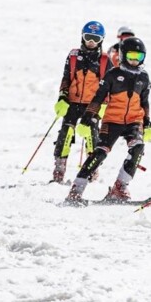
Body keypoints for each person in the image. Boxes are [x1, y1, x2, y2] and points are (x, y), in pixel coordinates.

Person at [64, 37, 151, 205]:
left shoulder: (143, 76)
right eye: (131, 56)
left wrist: (147, 122)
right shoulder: (113, 74)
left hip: (133, 121)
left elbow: (144, 102)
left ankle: (120, 187)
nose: (135, 61)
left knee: (138, 148)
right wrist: (87, 118)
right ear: (122, 55)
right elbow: (98, 98)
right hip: (112, 120)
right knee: (100, 152)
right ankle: (77, 189)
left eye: (139, 57)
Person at [51, 21, 110, 184]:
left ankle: (91, 169)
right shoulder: (73, 56)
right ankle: (59, 169)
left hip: (92, 105)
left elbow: (108, 87)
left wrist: (103, 105)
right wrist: (62, 97)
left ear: (101, 40)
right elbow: (66, 78)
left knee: (92, 135)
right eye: (88, 37)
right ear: (82, 37)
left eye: (95, 38)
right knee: (66, 133)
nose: (91, 41)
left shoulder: (105, 60)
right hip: (72, 102)